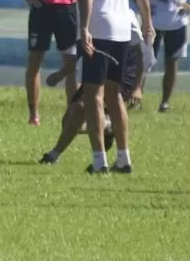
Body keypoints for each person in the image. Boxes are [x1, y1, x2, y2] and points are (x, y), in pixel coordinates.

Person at [64, 0, 154, 174]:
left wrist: (83, 27)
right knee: (114, 96)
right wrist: (147, 22)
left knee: (93, 95)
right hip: (123, 31)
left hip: (99, 28)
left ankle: (99, 160)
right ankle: (124, 159)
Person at [38, 14, 155, 165]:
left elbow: (139, 55)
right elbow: (82, 49)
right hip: (99, 64)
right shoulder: (86, 13)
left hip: (124, 71)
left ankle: (55, 154)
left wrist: (137, 87)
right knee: (70, 119)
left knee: (83, 106)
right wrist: (62, 73)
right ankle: (107, 125)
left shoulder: (123, 13)